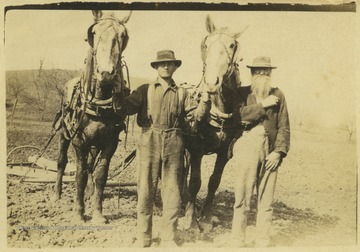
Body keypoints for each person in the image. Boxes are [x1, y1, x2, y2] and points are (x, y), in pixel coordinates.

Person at [112, 50, 211, 247]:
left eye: (170, 63)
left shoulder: (182, 93)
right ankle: (144, 236)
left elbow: (196, 117)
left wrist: (206, 100)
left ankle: (168, 237)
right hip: (149, 140)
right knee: (146, 189)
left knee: (172, 192)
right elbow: (124, 108)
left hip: (175, 142)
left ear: (175, 67)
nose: (166, 66)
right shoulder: (144, 90)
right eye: (162, 64)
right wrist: (116, 92)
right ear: (156, 67)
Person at [230, 56, 290, 247]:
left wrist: (278, 152)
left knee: (266, 200)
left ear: (270, 73)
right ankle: (238, 239)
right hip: (247, 144)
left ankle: (262, 239)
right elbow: (238, 118)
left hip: (270, 149)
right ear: (252, 73)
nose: (262, 74)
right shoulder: (242, 94)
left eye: (266, 71)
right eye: (258, 71)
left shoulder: (278, 95)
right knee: (242, 196)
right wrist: (263, 105)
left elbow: (284, 126)